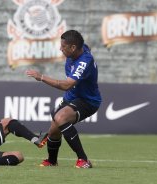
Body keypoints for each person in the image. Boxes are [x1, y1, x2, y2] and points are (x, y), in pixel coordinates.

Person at [26, 30, 102, 168]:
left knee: (61, 118)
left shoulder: (84, 62)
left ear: (73, 47)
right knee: (54, 126)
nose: (60, 48)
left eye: (63, 46)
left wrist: (41, 77)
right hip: (71, 97)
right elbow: (84, 45)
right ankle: (52, 161)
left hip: (87, 100)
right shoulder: (79, 49)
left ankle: (84, 160)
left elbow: (66, 85)